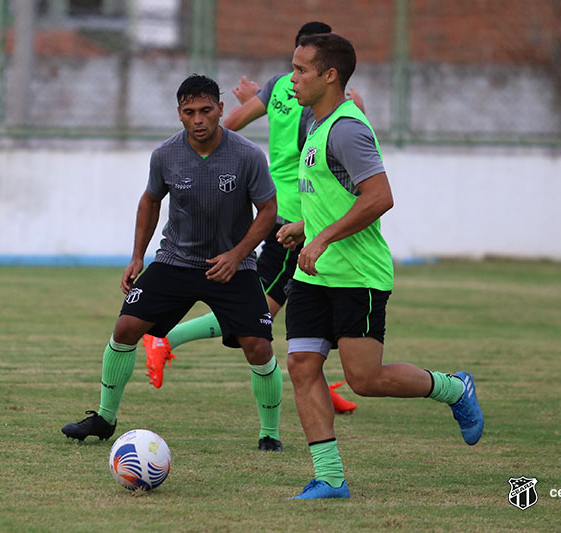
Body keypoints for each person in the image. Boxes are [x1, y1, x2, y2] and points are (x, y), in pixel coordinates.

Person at [276, 33, 485, 499]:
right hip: (314, 274)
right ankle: (330, 479)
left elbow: (380, 198)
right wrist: (304, 228)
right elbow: (333, 196)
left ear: (330, 75)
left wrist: (324, 237)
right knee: (302, 365)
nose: (292, 78)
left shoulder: (348, 128)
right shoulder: (314, 122)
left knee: (364, 380)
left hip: (357, 276)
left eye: (301, 70)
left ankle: (453, 388)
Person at [142, 21, 360, 415]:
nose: (296, 74)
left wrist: (259, 104)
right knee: (258, 317)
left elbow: (233, 123)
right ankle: (165, 339)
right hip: (298, 217)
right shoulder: (334, 105)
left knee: (308, 309)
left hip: (294, 214)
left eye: (301, 67)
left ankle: (325, 391)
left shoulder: (276, 88)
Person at [62, 74, 284, 452]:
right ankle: (104, 418)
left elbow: (268, 210)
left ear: (220, 110)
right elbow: (150, 200)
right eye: (189, 112)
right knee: (126, 327)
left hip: (233, 266)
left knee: (259, 348)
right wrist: (137, 256)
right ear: (179, 114)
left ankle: (270, 434)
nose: (199, 119)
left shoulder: (247, 155)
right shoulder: (165, 155)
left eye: (206, 110)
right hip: (175, 261)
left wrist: (237, 254)